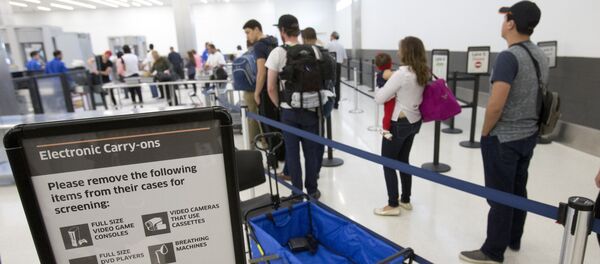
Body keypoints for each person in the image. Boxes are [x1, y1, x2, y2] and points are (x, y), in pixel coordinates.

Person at [460, 2, 548, 263]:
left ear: (510, 23)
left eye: (505, 18)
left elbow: (496, 104)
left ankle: (493, 250)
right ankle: (513, 237)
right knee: (519, 189)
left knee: (499, 195)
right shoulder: (539, 55)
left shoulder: (508, 57)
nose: (502, 22)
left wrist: (485, 133)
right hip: (528, 135)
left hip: (504, 138)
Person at [266, 14, 321, 199]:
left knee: (293, 154)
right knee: (311, 152)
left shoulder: (278, 53)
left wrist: (280, 106)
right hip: (311, 109)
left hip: (288, 111)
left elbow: (271, 87)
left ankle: (297, 193)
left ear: (282, 31)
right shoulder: (313, 50)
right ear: (298, 30)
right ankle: (312, 190)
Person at [372, 36, 428, 217]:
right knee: (403, 160)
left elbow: (379, 98)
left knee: (387, 162)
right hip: (414, 122)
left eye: (400, 49)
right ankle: (405, 199)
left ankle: (392, 204)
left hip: (397, 124)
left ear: (406, 51)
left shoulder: (401, 74)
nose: (398, 52)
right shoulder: (423, 71)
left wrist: (379, 85)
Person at [374, 53, 395, 140]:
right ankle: (385, 130)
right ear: (390, 63)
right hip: (390, 98)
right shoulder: (387, 72)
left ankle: (385, 129)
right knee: (388, 114)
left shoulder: (381, 73)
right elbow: (398, 77)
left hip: (387, 96)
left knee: (387, 113)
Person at [325, 31, 347, 109]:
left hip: (330, 65)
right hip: (338, 65)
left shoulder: (329, 44)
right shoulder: (341, 45)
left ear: (333, 36)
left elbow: (324, 54)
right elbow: (345, 59)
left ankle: (329, 100)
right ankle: (336, 103)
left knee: (329, 83)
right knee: (337, 84)